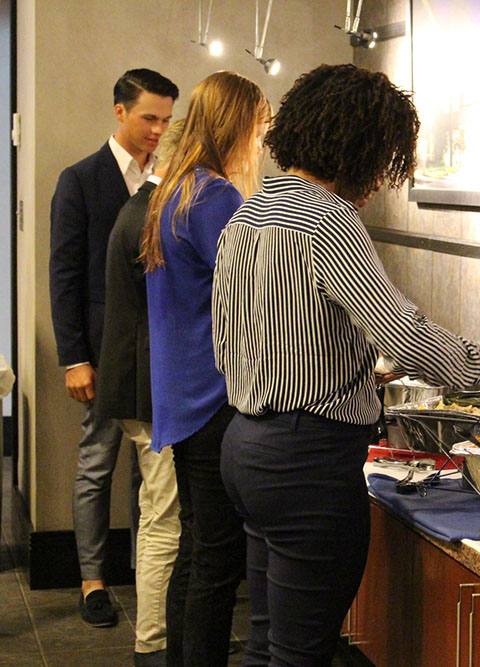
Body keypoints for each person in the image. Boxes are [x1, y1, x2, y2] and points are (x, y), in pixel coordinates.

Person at [213, 63, 480, 666]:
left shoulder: (248, 214)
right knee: (301, 655)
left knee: (268, 645)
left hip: (245, 447)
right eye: (384, 159)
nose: (381, 179)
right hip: (308, 465)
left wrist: (348, 367)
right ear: (360, 148)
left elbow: (252, 335)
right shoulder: (329, 222)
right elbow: (404, 337)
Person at [140, 71, 270, 666]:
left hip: (178, 393)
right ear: (237, 127)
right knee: (216, 561)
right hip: (211, 396)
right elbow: (258, 293)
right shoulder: (216, 197)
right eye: (259, 127)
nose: (262, 140)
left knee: (196, 552)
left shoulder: (173, 189)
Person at [49, 68, 178, 628]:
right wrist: (74, 357)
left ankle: (140, 571)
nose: (158, 130)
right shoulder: (80, 179)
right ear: (120, 111)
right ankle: (92, 580)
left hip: (159, 347)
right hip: (102, 350)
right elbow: (64, 278)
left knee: (149, 469)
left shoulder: (173, 179)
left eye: (167, 120)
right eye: (149, 117)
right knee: (97, 463)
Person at [94, 119, 185, 667]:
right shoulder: (156, 213)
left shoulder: (144, 207)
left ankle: (158, 637)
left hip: (138, 386)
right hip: (148, 389)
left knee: (157, 511)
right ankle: (154, 641)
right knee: (163, 517)